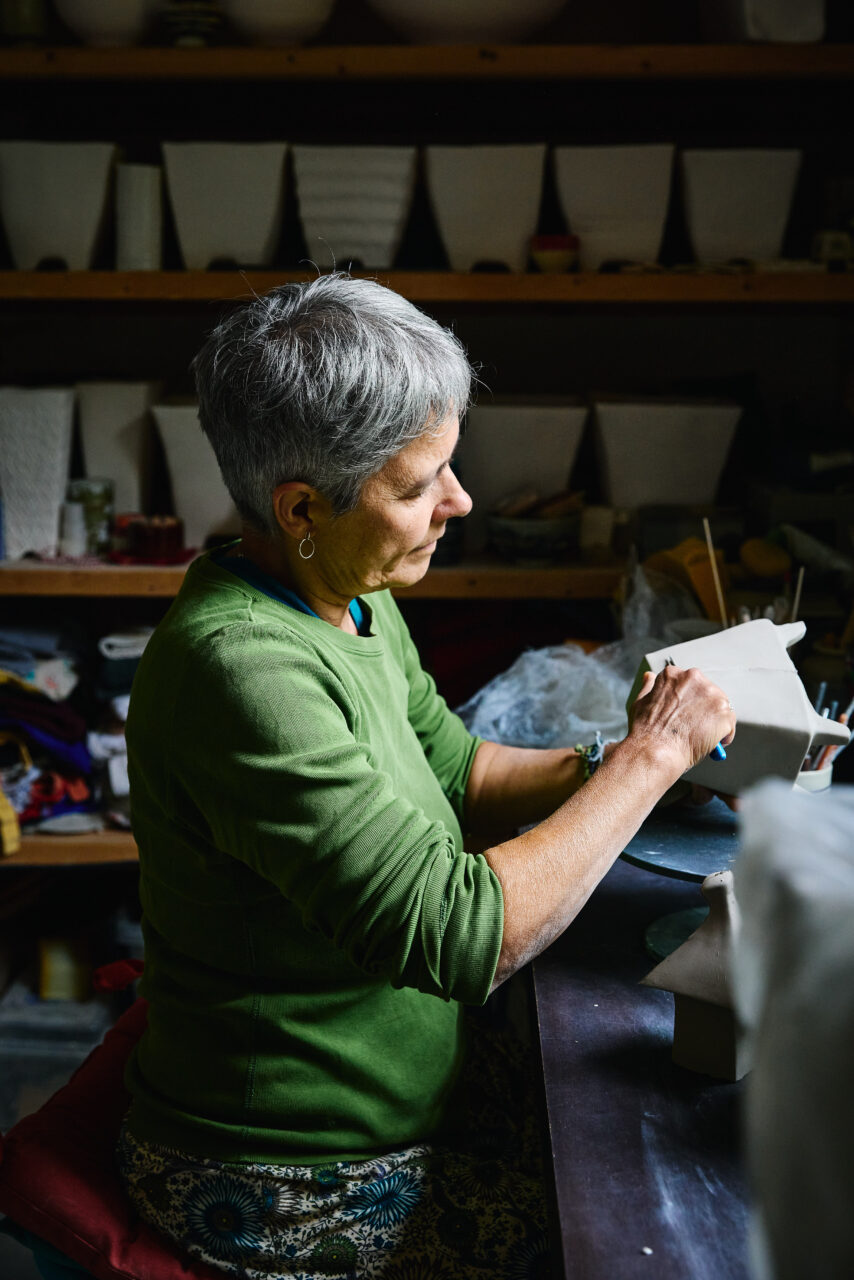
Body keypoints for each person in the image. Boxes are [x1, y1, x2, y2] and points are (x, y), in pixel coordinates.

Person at [117, 273, 735, 1279]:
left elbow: (458, 771)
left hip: (390, 1101)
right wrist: (646, 754)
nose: (460, 501)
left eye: (449, 465)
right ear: (302, 506)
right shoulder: (247, 670)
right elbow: (460, 936)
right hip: (291, 1171)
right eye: (417, 486)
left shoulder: (347, 593)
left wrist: (643, 771)